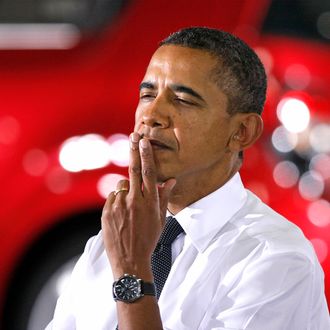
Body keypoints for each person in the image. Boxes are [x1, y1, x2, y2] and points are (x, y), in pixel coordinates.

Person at [46, 27, 330, 330]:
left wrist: (132, 275)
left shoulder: (276, 260)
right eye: (147, 94)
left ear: (242, 132)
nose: (152, 114)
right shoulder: (114, 241)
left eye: (183, 99)